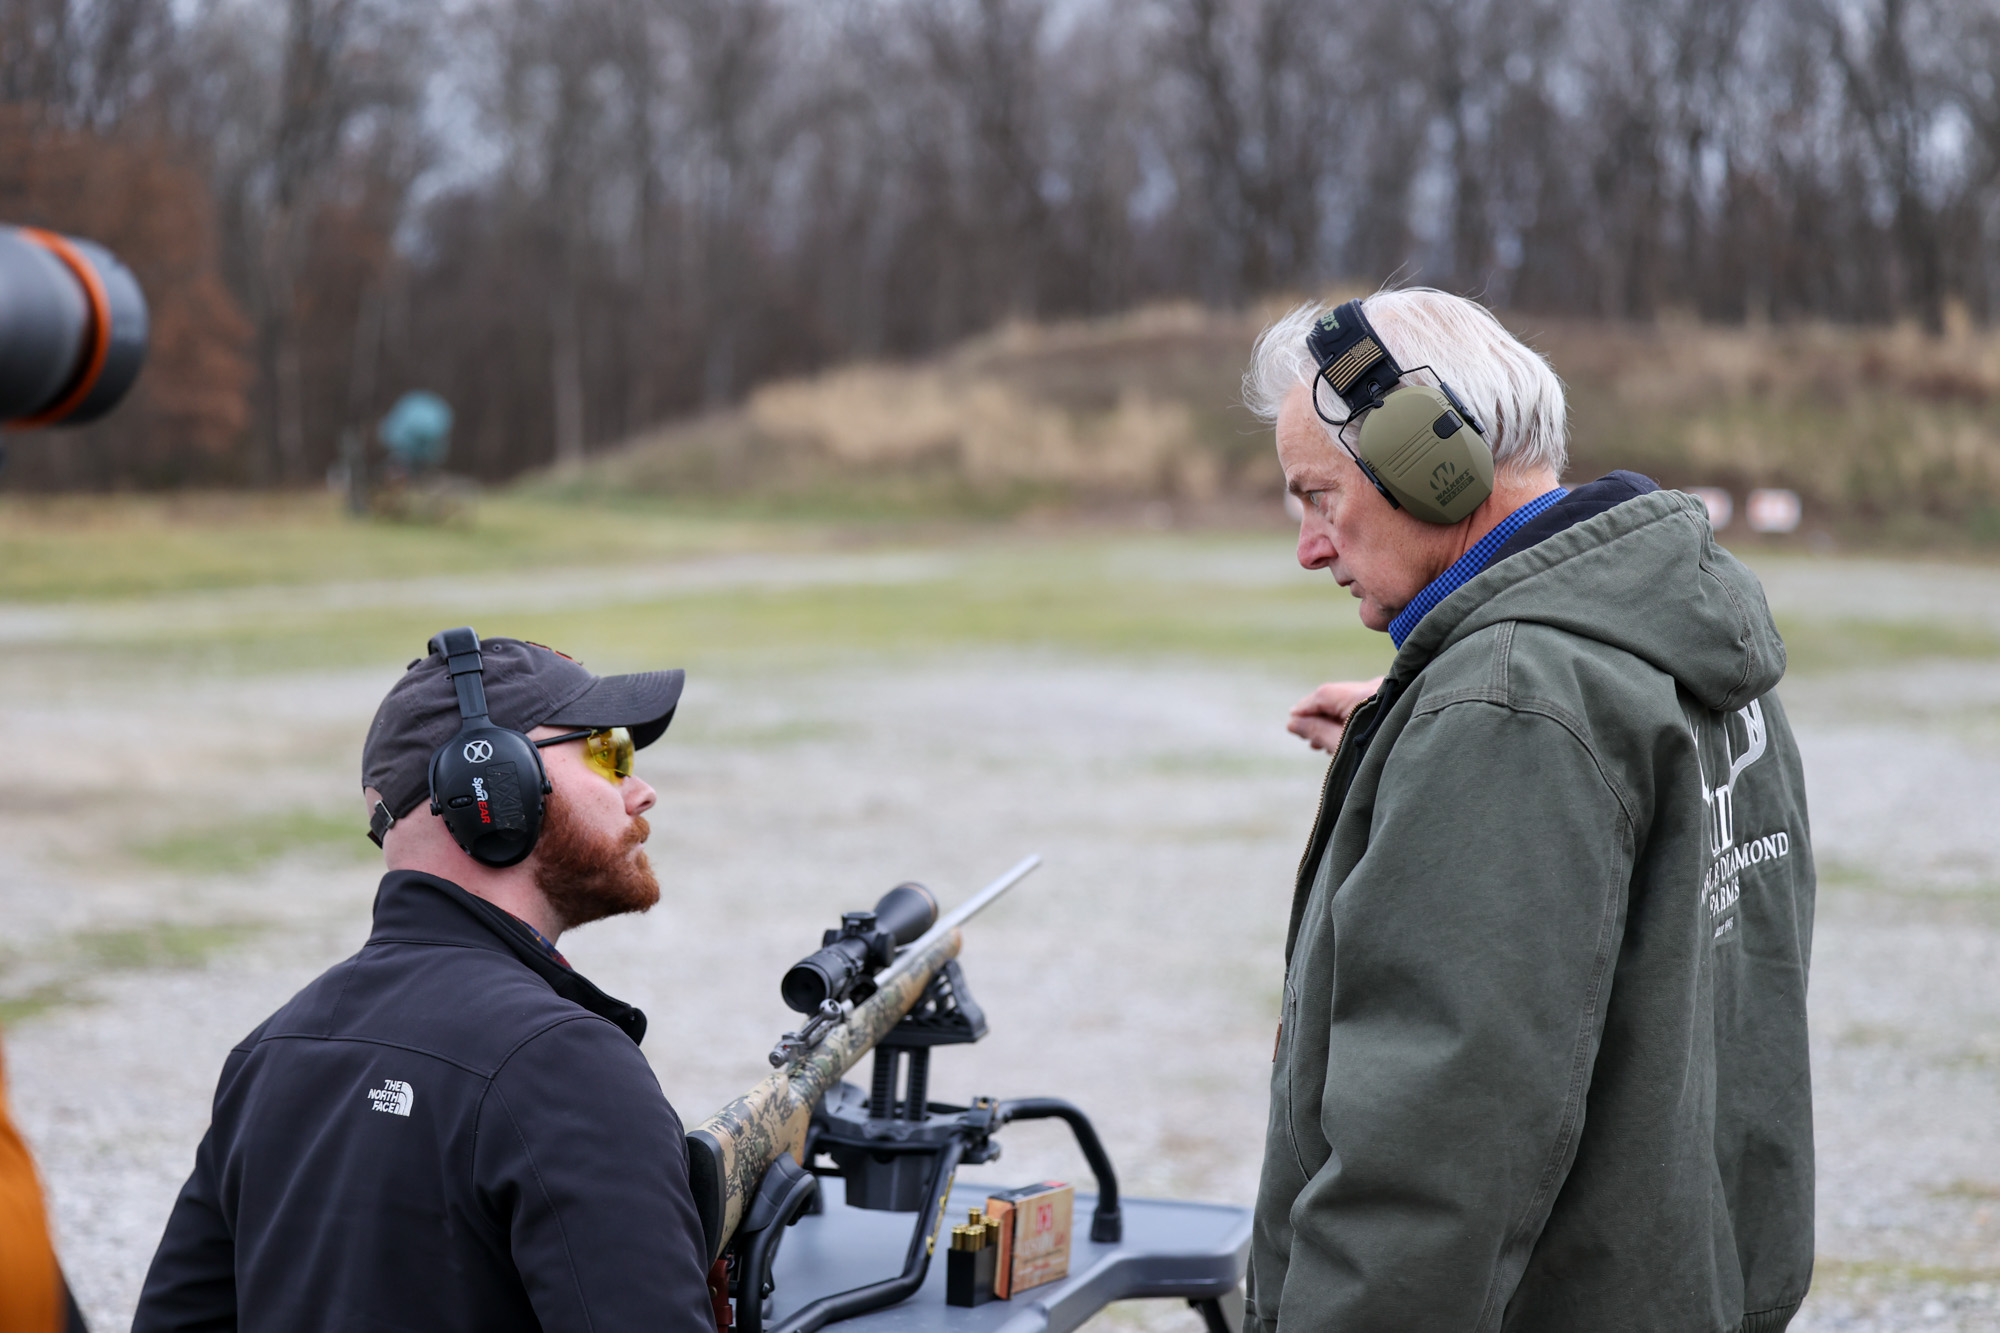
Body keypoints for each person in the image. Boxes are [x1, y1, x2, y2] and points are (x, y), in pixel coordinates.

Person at [1240, 289, 1815, 1331]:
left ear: (1431, 461)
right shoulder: (1666, 635)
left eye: (1317, 497)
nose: (1309, 549)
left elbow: (1434, 1148)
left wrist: (1477, 734)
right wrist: (1423, 734)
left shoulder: (1511, 709)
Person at [134, 634, 715, 1333]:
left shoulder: (270, 1051)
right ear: (496, 783)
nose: (641, 786)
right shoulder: (566, 1066)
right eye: (609, 750)